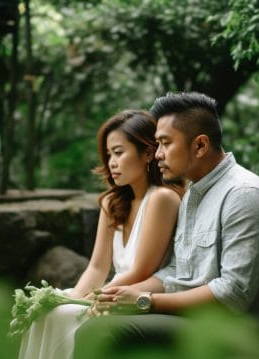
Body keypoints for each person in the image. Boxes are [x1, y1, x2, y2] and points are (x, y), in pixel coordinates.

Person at [74, 92, 259, 357]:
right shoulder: (194, 194)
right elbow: (177, 271)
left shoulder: (244, 195)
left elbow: (233, 294)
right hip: (185, 319)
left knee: (100, 333)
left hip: (228, 330)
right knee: (98, 319)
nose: (157, 154)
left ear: (200, 145)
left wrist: (144, 302)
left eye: (164, 143)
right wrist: (120, 295)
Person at [18, 109, 183, 359]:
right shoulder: (112, 203)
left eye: (118, 152)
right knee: (44, 311)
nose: (111, 163)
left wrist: (93, 299)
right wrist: (74, 297)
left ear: (148, 153)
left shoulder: (162, 199)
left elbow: (141, 270)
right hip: (112, 291)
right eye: (108, 154)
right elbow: (96, 267)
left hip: (141, 294)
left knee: (63, 315)